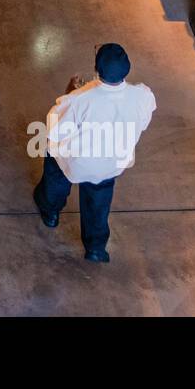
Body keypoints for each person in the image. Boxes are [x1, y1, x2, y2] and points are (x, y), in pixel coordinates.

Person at [33, 43, 156, 263]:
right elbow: (144, 121)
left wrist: (69, 92)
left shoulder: (79, 99)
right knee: (98, 204)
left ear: (96, 68)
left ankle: (50, 212)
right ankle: (96, 248)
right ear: (126, 69)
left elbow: (55, 128)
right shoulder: (142, 96)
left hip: (76, 163)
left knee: (55, 167)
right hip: (111, 165)